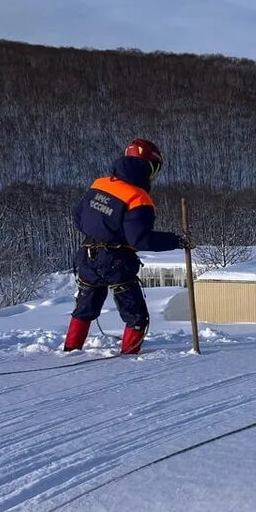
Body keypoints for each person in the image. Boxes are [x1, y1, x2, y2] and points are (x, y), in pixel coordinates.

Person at [63, 138, 185, 355]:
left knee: (84, 310)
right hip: (117, 262)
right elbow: (141, 240)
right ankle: (128, 359)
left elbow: (78, 218)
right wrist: (176, 241)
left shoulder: (99, 183)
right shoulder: (139, 198)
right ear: (151, 168)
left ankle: (70, 351)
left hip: (88, 255)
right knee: (136, 316)